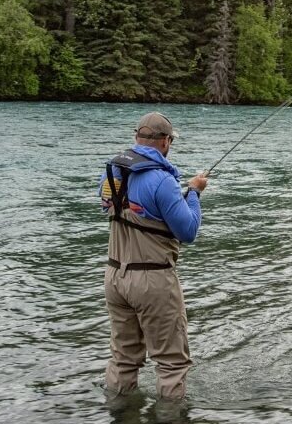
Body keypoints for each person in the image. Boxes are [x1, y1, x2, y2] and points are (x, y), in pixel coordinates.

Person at [99, 111, 207, 399]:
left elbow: (114, 205)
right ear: (164, 142)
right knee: (171, 363)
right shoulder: (163, 180)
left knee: (123, 357)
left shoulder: (112, 172)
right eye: (170, 140)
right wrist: (194, 193)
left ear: (137, 137)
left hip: (114, 278)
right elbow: (188, 232)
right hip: (153, 280)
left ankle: (119, 414)